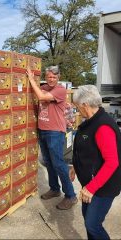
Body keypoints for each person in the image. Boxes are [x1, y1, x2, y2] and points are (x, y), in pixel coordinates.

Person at [70, 85, 121, 239]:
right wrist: (75, 166)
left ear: (85, 105)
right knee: (88, 220)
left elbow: (112, 162)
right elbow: (86, 150)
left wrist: (91, 188)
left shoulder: (102, 126)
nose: (77, 109)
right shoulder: (91, 121)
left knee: (93, 224)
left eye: (77, 106)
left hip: (103, 186)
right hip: (91, 183)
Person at [27, 65, 77, 210]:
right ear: (46, 76)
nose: (51, 79)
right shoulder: (44, 87)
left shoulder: (60, 90)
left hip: (55, 132)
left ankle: (70, 195)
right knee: (48, 162)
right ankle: (55, 189)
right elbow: (39, 93)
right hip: (43, 130)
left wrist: (31, 79)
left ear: (58, 77)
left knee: (59, 164)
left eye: (54, 77)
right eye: (49, 76)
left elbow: (41, 97)